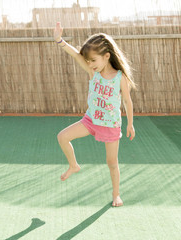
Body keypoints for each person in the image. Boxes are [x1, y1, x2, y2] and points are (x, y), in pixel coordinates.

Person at [54, 22, 136, 207]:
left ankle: (116, 194)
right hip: (90, 120)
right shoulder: (93, 72)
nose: (90, 64)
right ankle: (74, 166)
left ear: (106, 56)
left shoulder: (119, 77)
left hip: (110, 125)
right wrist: (59, 40)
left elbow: (127, 101)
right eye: (88, 61)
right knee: (62, 137)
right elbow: (76, 55)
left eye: (93, 60)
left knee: (112, 163)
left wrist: (130, 124)